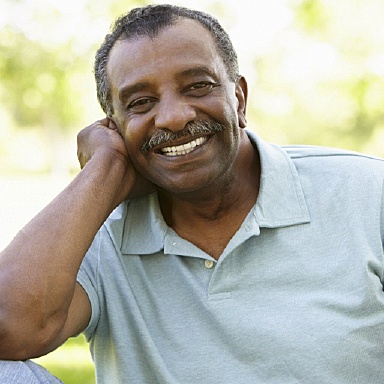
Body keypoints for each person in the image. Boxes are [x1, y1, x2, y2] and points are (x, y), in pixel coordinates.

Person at [1, 3, 384, 383]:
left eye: (197, 86)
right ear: (113, 127)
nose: (173, 117)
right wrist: (104, 171)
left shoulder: (366, 192)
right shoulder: (96, 234)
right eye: (140, 103)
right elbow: (8, 328)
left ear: (239, 98)